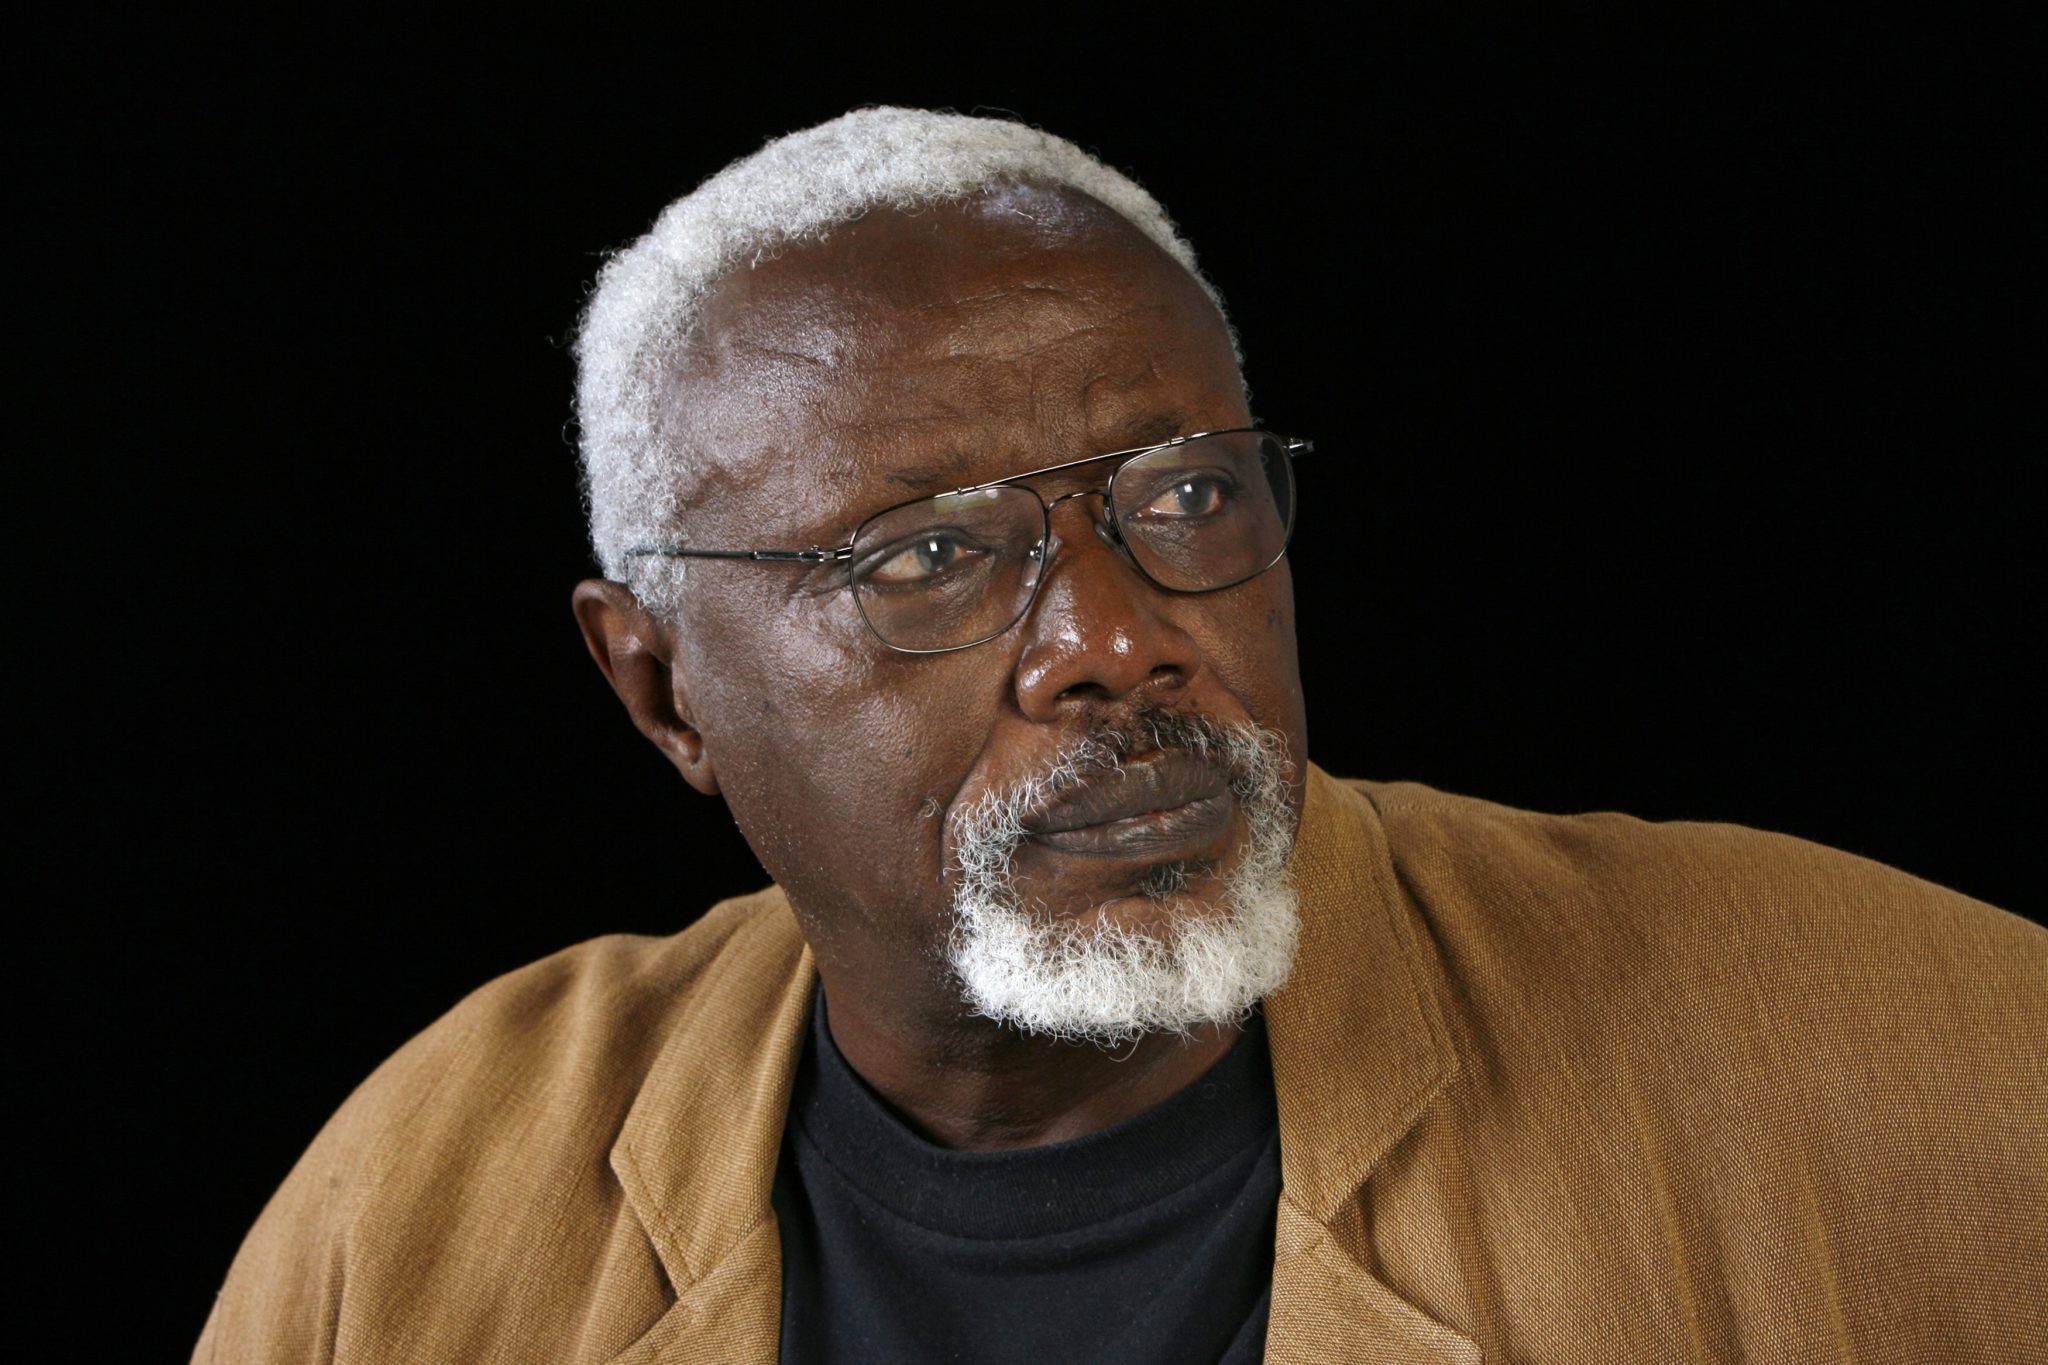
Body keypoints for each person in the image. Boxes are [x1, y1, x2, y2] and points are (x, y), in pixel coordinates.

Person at [196, 108, 2046, 1364]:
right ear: (664, 688)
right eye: (928, 554)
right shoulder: (432, 1195)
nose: (1118, 640)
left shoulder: (1890, 1047)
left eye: (1184, 495)